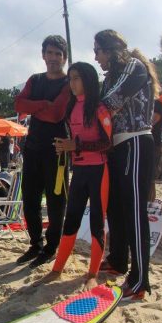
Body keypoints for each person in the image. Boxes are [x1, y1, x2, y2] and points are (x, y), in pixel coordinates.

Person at [94, 29, 160, 300]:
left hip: (135, 142)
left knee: (134, 211)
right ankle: (119, 260)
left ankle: (140, 279)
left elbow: (111, 102)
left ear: (110, 49)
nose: (95, 56)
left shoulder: (134, 67)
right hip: (117, 147)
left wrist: (91, 108)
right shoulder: (109, 76)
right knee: (116, 208)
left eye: (97, 50)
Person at [37, 62, 112, 290]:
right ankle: (57, 268)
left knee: (97, 223)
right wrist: (66, 148)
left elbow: (107, 143)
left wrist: (75, 145)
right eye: (70, 79)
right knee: (71, 221)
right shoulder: (71, 107)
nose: (72, 83)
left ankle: (92, 273)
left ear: (88, 80)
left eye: (77, 78)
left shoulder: (99, 108)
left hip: (99, 171)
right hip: (78, 171)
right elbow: (75, 143)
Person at [14, 34, 71, 268]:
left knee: (56, 201)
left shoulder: (69, 83)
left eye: (58, 54)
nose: (54, 58)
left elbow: (57, 113)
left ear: (64, 58)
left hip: (57, 150)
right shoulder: (35, 79)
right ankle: (35, 243)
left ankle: (51, 247)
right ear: (43, 55)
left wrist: (35, 107)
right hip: (33, 147)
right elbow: (19, 105)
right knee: (30, 200)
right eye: (50, 52)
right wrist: (43, 106)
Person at [149, 100, 162, 200]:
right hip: (152, 142)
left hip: (153, 143)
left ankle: (149, 200)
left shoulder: (157, 104)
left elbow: (153, 121)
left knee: (150, 175)